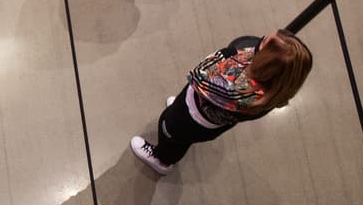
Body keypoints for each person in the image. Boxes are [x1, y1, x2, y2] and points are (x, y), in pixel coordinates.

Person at [131, 30, 313, 175]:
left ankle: (162, 159)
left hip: (194, 116)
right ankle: (178, 115)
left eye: (262, 45)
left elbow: (197, 76)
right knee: (181, 125)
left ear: (265, 65)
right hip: (213, 120)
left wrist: (229, 53)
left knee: (169, 129)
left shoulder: (233, 87)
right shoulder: (275, 91)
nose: (259, 40)